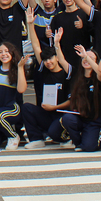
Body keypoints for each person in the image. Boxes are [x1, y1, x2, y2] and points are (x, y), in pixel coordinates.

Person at [20, 9, 71, 150]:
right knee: (27, 108)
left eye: (51, 59)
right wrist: (31, 24)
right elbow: (36, 46)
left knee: (56, 131)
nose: (48, 62)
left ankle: (65, 137)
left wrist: (55, 107)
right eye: (46, 59)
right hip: (47, 113)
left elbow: (73, 101)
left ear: (57, 58)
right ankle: (36, 139)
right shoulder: (44, 70)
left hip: (62, 114)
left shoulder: (66, 74)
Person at [57, 45, 101, 152]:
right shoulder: (76, 74)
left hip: (93, 120)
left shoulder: (98, 77)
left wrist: (86, 56)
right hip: (79, 117)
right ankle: (78, 143)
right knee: (67, 118)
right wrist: (57, 43)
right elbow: (61, 61)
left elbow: (100, 71)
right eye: (83, 58)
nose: (86, 60)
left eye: (90, 58)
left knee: (89, 147)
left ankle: (96, 141)